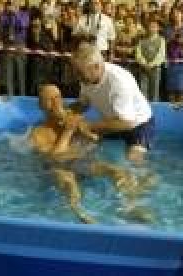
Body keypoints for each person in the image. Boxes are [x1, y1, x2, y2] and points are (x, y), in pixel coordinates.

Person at [29, 84, 155, 224]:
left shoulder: (72, 118)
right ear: (41, 106)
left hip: (81, 162)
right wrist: (67, 132)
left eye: (58, 97)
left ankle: (130, 206)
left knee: (117, 171)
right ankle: (79, 213)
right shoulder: (38, 133)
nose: (56, 102)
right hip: (59, 167)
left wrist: (87, 134)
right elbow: (52, 158)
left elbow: (95, 139)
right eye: (50, 99)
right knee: (69, 183)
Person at [71, 42, 155, 164]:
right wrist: (66, 112)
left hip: (139, 124)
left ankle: (145, 179)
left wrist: (88, 126)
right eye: (76, 71)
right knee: (80, 144)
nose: (76, 76)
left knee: (133, 160)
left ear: (96, 67)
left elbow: (127, 123)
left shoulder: (118, 81)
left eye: (79, 72)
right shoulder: (86, 79)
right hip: (114, 122)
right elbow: (84, 104)